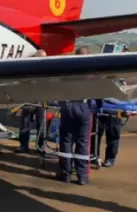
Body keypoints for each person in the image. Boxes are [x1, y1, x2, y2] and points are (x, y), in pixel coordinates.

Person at [56, 46, 92, 184]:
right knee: (83, 142)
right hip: (84, 107)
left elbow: (59, 89)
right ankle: (82, 176)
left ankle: (65, 173)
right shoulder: (92, 73)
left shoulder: (68, 71)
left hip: (68, 106)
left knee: (66, 140)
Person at [18, 49, 48, 152]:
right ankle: (23, 146)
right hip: (29, 100)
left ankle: (40, 146)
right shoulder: (29, 68)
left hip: (41, 101)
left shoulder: (48, 70)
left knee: (41, 124)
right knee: (25, 123)